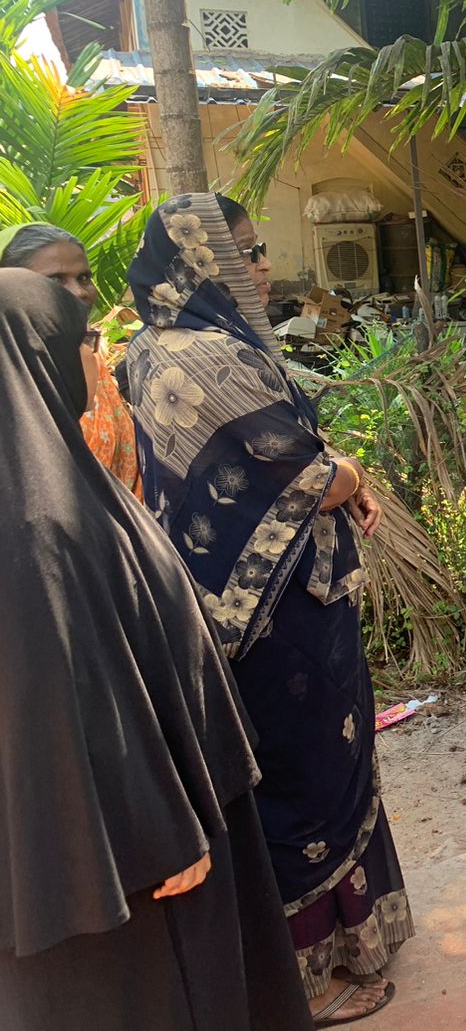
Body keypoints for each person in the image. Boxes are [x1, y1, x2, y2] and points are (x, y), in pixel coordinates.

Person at [123, 193, 411, 1025]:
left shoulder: (151, 347)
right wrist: (348, 477)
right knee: (306, 773)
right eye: (244, 253)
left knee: (306, 764)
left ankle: (344, 942)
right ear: (197, 264)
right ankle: (312, 974)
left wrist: (334, 473)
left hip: (249, 600)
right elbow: (305, 474)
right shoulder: (207, 356)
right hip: (275, 616)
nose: (260, 266)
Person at [0, 270, 312, 1031]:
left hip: (161, 823)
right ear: (37, 356)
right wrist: (161, 832)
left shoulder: (59, 479)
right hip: (139, 869)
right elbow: (54, 697)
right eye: (84, 344)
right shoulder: (34, 525)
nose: (100, 366)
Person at [1, 222, 142, 496]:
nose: (79, 292)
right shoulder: (10, 375)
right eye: (55, 280)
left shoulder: (91, 356)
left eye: (84, 278)